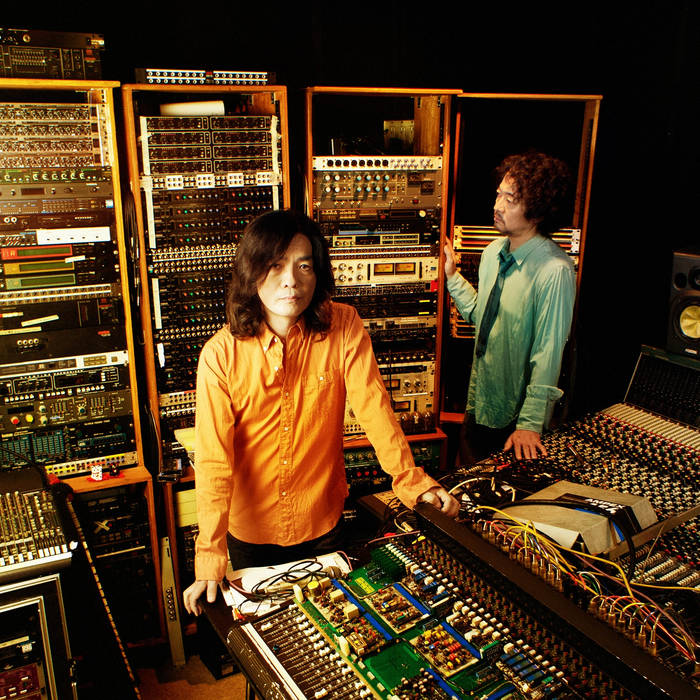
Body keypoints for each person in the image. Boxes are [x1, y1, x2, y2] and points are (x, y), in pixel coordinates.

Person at [184, 209, 458, 615]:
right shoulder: (219, 355)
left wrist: (411, 482)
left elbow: (375, 408)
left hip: (323, 524)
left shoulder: (343, 324)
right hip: (251, 535)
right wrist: (210, 554)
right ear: (252, 271)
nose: (291, 281)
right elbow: (213, 461)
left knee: (334, 627)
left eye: (304, 266)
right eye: (276, 265)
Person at [444, 152, 576, 465]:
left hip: (516, 425)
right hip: (478, 406)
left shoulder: (555, 270)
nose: (497, 206)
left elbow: (548, 353)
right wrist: (452, 276)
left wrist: (529, 424)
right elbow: (482, 318)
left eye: (510, 199)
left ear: (538, 211)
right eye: (498, 195)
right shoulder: (492, 253)